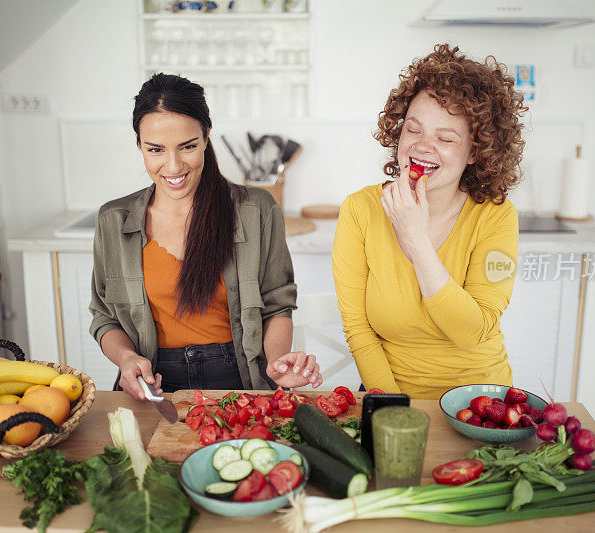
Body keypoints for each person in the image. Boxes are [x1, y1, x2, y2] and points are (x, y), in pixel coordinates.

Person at [90, 73, 322, 400]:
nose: (173, 166)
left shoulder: (256, 210)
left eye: (188, 147)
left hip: (242, 380)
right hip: (154, 387)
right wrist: (128, 359)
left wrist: (276, 362)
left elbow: (276, 305)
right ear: (139, 145)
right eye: (155, 150)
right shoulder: (114, 221)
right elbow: (104, 316)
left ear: (206, 137)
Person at [332, 44, 526, 399]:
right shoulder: (360, 209)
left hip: (480, 399)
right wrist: (395, 410)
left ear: (474, 151)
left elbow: (472, 331)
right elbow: (358, 330)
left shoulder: (496, 217)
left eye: (445, 137)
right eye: (413, 130)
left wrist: (416, 241)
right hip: (389, 393)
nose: (422, 146)